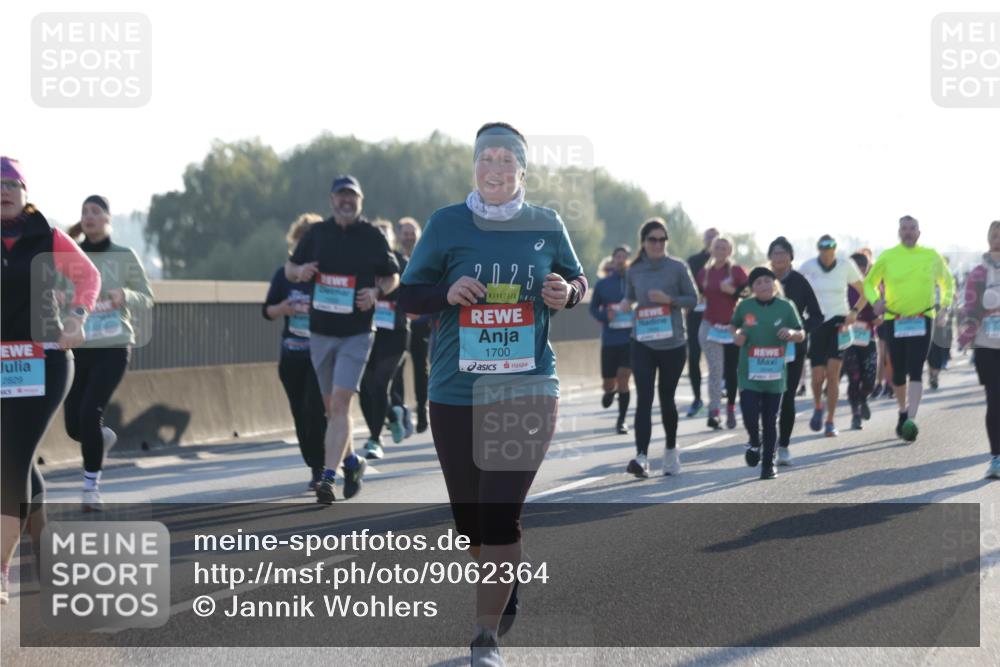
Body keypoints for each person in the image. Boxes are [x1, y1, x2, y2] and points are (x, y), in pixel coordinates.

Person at [397, 122, 587, 666]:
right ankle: (503, 577)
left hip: (528, 387)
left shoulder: (546, 225)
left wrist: (566, 293)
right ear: (475, 167)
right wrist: (445, 291)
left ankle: (485, 639)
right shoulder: (446, 223)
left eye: (507, 160)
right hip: (456, 389)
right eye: (487, 159)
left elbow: (577, 281)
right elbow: (409, 294)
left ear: (522, 171)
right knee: (470, 522)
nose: (496, 169)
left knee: (501, 513)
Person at [1, 157, 100, 603]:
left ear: (24, 192)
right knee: (19, 461)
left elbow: (89, 277)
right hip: (3, 363)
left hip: (44, 360)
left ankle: (1, 569)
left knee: (12, 459)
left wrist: (77, 318)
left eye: (10, 184)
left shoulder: (47, 235)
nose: (3, 191)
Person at [285, 175, 400, 504]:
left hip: (357, 333)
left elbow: (393, 276)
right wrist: (302, 270)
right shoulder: (317, 234)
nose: (346, 201)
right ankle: (352, 462)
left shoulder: (372, 236)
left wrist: (376, 291)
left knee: (340, 405)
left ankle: (327, 478)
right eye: (341, 196)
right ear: (332, 200)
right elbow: (290, 269)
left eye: (352, 196)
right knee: (330, 410)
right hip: (320, 333)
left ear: (360, 201)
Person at [63, 195, 154, 510]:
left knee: (90, 411)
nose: (88, 216)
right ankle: (100, 439)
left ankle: (91, 488)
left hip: (113, 347)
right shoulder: (70, 257)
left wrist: (125, 294)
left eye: (96, 211)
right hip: (78, 348)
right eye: (84, 211)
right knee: (74, 426)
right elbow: (57, 295)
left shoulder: (124, 256)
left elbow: (147, 297)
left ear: (108, 219)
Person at [863, 215, 955, 443]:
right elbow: (868, 283)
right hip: (895, 319)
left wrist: (944, 306)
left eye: (912, 228)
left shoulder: (931, 256)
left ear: (919, 232)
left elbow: (948, 282)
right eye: (904, 228)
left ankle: (910, 419)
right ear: (898, 232)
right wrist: (876, 301)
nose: (908, 232)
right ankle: (902, 409)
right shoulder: (888, 256)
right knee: (898, 370)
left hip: (923, 317)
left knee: (916, 368)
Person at [621, 219, 698, 476]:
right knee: (644, 397)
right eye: (652, 239)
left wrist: (670, 300)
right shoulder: (635, 269)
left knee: (666, 397)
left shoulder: (677, 267)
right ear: (643, 242)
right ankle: (641, 457)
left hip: (673, 343)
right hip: (642, 341)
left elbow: (693, 299)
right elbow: (630, 295)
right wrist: (625, 303)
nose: (657, 244)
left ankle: (670, 450)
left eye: (662, 239)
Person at [264, 213, 327, 491]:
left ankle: (320, 467)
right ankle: (312, 460)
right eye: (303, 239)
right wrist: (284, 309)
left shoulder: (329, 275)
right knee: (300, 413)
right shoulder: (284, 275)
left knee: (315, 409)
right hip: (292, 356)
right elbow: (267, 311)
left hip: (321, 355)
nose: (307, 245)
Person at [733, 266, 805, 479]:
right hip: (749, 374)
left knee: (770, 419)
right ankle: (755, 441)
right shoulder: (745, 306)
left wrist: (791, 333)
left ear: (774, 284)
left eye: (767, 281)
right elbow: (733, 327)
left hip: (775, 375)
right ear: (752, 288)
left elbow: (801, 333)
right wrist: (738, 335)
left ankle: (768, 464)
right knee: (749, 415)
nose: (764, 285)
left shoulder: (786, 306)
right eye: (758, 283)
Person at [797, 235, 867, 437]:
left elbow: (865, 292)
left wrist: (854, 312)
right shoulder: (808, 266)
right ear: (818, 248)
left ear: (835, 249)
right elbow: (795, 289)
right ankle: (818, 406)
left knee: (833, 374)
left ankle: (830, 421)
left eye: (831, 247)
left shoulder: (846, 265)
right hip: (817, 323)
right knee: (818, 376)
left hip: (839, 322)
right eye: (823, 246)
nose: (827, 250)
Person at [766, 237, 822, 465]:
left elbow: (817, 316)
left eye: (783, 253)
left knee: (787, 397)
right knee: (766, 398)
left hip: (792, 349)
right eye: (775, 253)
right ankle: (767, 442)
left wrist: (797, 330)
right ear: (770, 257)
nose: (779, 258)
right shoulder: (762, 279)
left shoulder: (799, 282)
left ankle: (784, 446)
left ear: (790, 257)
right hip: (763, 350)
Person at [358, 219, 410, 459]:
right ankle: (389, 417)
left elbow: (413, 294)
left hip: (395, 333)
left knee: (380, 383)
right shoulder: (365, 261)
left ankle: (375, 439)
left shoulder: (402, 263)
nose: (381, 236)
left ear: (392, 238)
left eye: (385, 233)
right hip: (368, 331)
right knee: (365, 387)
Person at [958, 221, 1000, 478]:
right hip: (986, 344)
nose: (998, 239)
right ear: (988, 239)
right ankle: (996, 458)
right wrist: (965, 335)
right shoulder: (977, 273)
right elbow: (969, 308)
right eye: (994, 235)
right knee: (994, 399)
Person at [696, 236, 748, 430]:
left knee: (731, 371)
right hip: (710, 326)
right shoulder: (704, 273)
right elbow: (698, 294)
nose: (720, 250)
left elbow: (749, 292)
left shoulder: (736, 271)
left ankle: (731, 409)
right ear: (711, 249)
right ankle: (714, 412)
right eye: (717, 247)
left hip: (732, 326)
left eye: (724, 248)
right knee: (715, 370)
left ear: (729, 251)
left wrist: (732, 291)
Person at [588, 245, 633, 434]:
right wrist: (605, 316)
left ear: (628, 260)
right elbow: (592, 308)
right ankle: (609, 390)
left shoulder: (635, 282)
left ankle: (621, 420)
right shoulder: (603, 284)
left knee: (624, 378)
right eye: (618, 257)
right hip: (610, 339)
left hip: (630, 338)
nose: (621, 260)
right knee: (609, 381)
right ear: (613, 260)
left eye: (624, 257)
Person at [391, 216, 429, 433]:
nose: (409, 237)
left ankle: (422, 412)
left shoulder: (426, 258)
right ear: (399, 236)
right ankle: (400, 408)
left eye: (412, 233)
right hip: (396, 322)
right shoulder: (393, 259)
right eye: (405, 233)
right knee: (396, 368)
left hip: (421, 323)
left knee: (420, 369)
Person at [842, 252, 879, 430]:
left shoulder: (871, 288)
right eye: (854, 267)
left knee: (870, 379)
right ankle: (855, 414)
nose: (858, 271)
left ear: (866, 269)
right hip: (847, 339)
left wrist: (879, 317)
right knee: (854, 377)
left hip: (868, 338)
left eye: (861, 268)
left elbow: (880, 311)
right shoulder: (841, 288)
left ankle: (864, 398)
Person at [685, 227, 720, 417]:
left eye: (715, 238)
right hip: (696, 314)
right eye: (709, 238)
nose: (712, 241)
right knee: (694, 356)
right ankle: (697, 398)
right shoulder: (693, 261)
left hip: (719, 316)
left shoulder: (726, 264)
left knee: (717, 358)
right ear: (704, 240)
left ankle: (717, 399)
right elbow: (685, 285)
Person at [927, 265, 956, 390]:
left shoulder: (943, 284)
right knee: (928, 346)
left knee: (939, 345)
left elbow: (949, 298)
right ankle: (932, 373)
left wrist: (945, 313)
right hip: (926, 313)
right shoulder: (923, 283)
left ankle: (935, 373)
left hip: (940, 313)